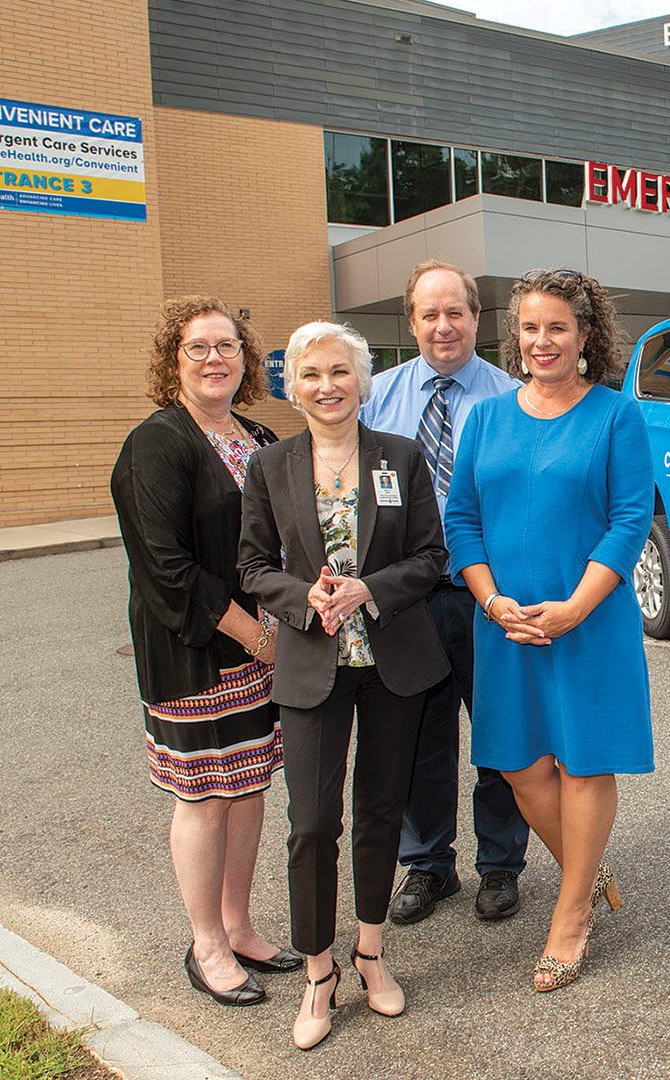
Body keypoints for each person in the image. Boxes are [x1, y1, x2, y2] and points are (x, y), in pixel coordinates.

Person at [237, 321, 451, 1050]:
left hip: (392, 664)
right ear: (290, 386)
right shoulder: (270, 468)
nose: (327, 386)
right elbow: (252, 567)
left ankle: (370, 953)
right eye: (311, 374)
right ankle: (319, 974)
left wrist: (369, 589)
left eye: (340, 372)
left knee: (380, 813)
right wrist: (306, 598)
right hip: (310, 668)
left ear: (364, 382)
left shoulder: (400, 456)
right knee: (311, 824)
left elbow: (430, 555)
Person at [443, 268, 654, 992]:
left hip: (587, 622)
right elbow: (461, 520)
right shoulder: (489, 418)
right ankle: (587, 872)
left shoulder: (616, 417)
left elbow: (630, 522)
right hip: (505, 625)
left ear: (585, 336)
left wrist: (573, 609)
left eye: (557, 327)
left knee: (584, 763)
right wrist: (493, 601)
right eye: (530, 327)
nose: (542, 341)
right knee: (519, 765)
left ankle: (569, 921)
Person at [111, 297, 299, 1009]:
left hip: (260, 653)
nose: (215, 358)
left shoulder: (255, 435)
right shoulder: (157, 444)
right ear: (173, 361)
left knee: (248, 787)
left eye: (227, 346)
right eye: (198, 347)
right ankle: (206, 946)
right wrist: (257, 637)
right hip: (197, 654)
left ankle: (240, 926)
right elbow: (167, 565)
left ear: (246, 359)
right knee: (205, 797)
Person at [360, 260, 530, 925]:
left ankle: (499, 866)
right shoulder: (377, 397)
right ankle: (428, 866)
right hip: (409, 598)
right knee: (418, 739)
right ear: (412, 322)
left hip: (488, 594)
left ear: (476, 319)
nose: (443, 326)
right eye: (429, 314)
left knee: (498, 734)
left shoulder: (510, 399)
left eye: (455, 311)